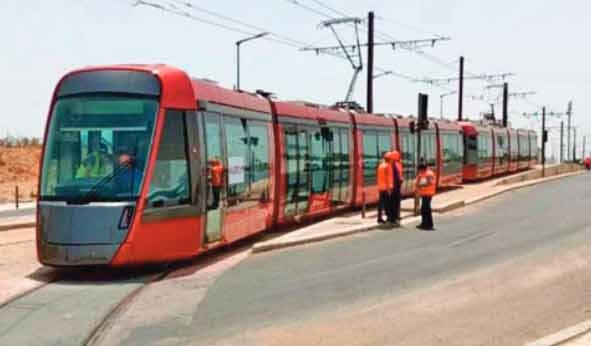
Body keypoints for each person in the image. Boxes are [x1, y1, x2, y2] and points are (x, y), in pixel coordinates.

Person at [415, 160, 437, 230]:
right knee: (425, 209)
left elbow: (430, 183)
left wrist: (421, 185)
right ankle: (425, 223)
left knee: (425, 209)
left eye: (419, 169)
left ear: (422, 168)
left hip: (428, 193)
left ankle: (428, 224)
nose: (419, 171)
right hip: (424, 193)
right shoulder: (422, 173)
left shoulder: (428, 174)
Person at [376, 152, 394, 224]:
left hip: (381, 187)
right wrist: (390, 189)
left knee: (380, 204)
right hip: (386, 188)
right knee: (388, 204)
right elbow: (388, 178)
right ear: (390, 159)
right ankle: (389, 218)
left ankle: (379, 218)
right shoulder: (388, 166)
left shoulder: (380, 166)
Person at [388, 150, 404, 226]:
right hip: (395, 186)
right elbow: (397, 176)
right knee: (395, 203)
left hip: (393, 186)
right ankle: (394, 218)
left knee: (392, 203)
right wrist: (400, 181)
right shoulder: (395, 164)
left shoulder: (392, 164)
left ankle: (393, 218)